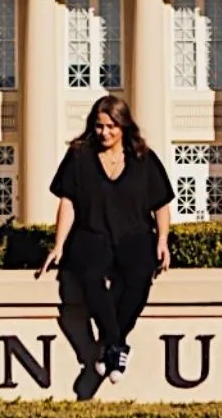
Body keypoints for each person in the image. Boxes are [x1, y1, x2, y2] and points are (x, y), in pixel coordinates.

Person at [38, 94, 174, 383]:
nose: (104, 132)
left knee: (139, 277)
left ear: (124, 126)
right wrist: (58, 245)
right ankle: (117, 345)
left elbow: (161, 204)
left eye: (111, 126)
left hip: (134, 234)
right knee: (89, 275)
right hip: (92, 233)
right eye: (99, 126)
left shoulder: (143, 158)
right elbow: (68, 202)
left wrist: (162, 240)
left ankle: (110, 346)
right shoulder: (79, 156)